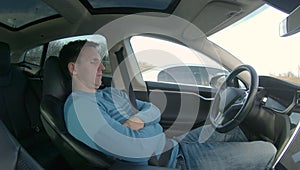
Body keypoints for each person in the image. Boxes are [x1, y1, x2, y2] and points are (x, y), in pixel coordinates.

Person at [60, 40, 276, 169]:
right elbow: (139, 150)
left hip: (172, 143)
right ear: (74, 69)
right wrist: (149, 125)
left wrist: (137, 121)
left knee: (233, 128)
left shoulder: (109, 92)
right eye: (93, 62)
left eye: (101, 62)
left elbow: (152, 109)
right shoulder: (80, 110)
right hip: (170, 162)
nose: (101, 68)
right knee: (268, 151)